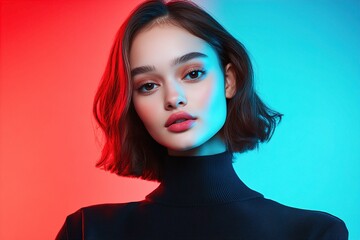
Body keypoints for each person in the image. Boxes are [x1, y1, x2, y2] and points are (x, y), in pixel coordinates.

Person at [56, 0, 348, 239]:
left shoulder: (313, 233)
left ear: (229, 81)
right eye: (148, 85)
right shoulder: (87, 231)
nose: (174, 98)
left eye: (192, 73)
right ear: (132, 104)